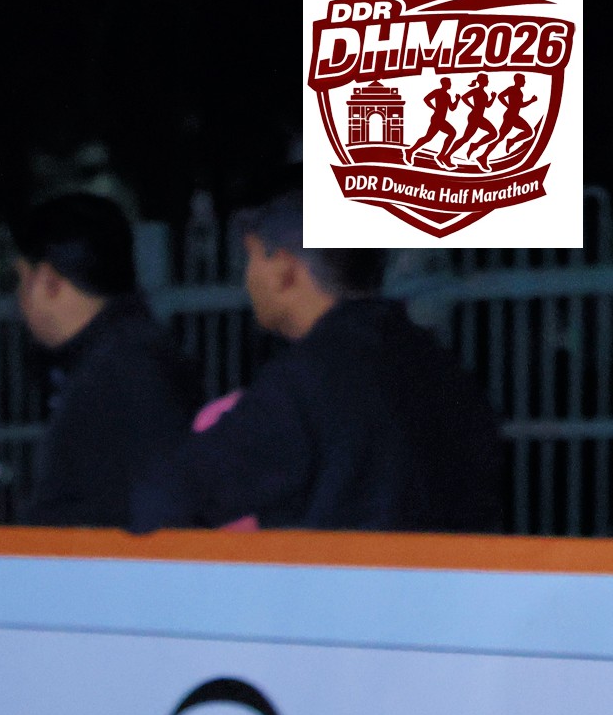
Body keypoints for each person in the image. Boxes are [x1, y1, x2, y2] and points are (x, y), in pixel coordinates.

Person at [129, 195, 502, 533]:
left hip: (342, 584)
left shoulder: (308, 381)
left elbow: (175, 495)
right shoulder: (442, 369)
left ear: (285, 269)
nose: (247, 278)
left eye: (252, 258)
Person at [11, 193, 193, 527]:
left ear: (49, 281)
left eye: (21, 280)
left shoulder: (121, 371)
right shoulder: (125, 355)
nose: (19, 300)